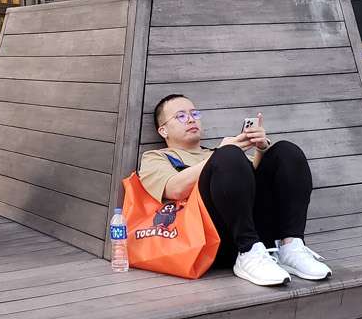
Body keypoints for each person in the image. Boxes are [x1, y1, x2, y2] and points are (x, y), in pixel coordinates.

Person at [137, 94, 332, 286]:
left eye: (194, 114)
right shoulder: (155, 157)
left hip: (258, 235)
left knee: (286, 151)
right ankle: (247, 252)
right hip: (212, 241)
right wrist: (220, 156)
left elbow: (252, 184)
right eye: (181, 116)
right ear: (163, 131)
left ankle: (291, 247)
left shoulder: (220, 152)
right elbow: (175, 189)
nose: (190, 119)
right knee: (228, 156)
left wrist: (261, 149)